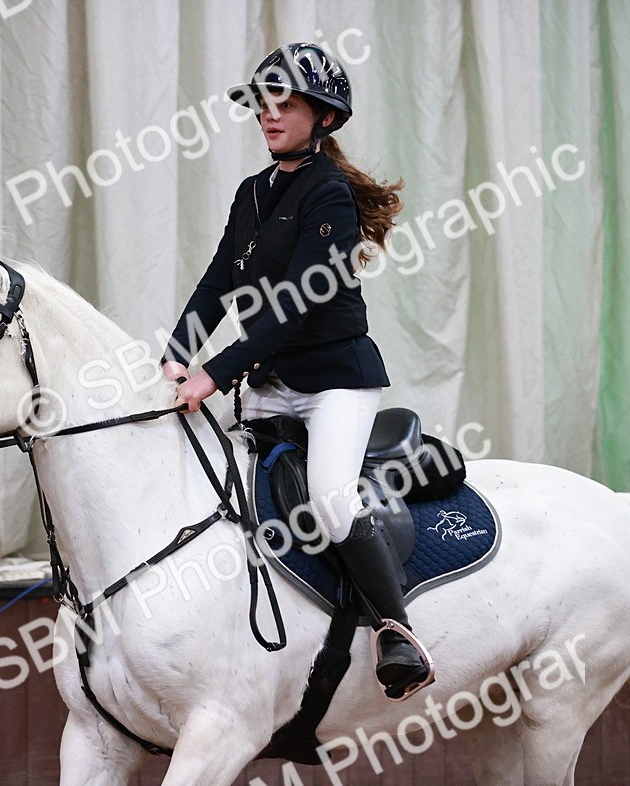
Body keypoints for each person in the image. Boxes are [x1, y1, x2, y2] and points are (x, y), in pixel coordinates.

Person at [160, 43, 431, 699]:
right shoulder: (252, 193)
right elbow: (221, 281)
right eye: (263, 103)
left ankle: (396, 629)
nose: (270, 114)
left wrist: (214, 373)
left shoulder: (329, 193)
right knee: (218, 490)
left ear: (324, 117)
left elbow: (295, 302)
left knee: (332, 500)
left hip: (336, 382)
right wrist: (177, 353)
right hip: (270, 383)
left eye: (286, 103)